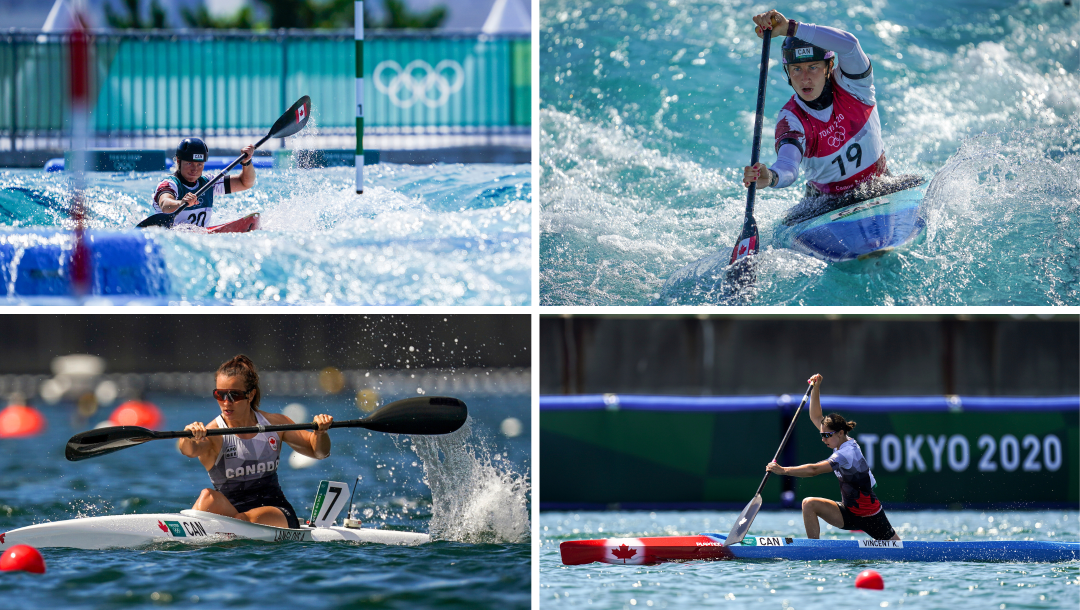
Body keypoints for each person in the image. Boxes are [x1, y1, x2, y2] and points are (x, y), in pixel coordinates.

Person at [742, 10, 890, 201]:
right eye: (796, 69)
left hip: (881, 185)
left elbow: (850, 45)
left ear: (829, 66)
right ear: (787, 72)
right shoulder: (791, 118)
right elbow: (788, 164)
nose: (805, 78)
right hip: (824, 205)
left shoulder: (854, 85)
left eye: (813, 67)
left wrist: (791, 28)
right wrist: (771, 177)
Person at [178, 354, 333, 528]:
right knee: (207, 497)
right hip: (231, 512)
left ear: (250, 395)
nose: (226, 403)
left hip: (275, 509)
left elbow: (320, 452)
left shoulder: (275, 424)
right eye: (220, 395)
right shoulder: (214, 433)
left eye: (234, 395)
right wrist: (188, 436)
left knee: (243, 520)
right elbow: (189, 450)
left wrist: (320, 433)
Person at [765, 373, 900, 541]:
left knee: (899, 549)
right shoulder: (838, 441)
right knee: (808, 504)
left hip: (870, 514)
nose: (823, 439)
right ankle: (814, 550)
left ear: (841, 432)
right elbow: (815, 417)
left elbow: (814, 470)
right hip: (848, 512)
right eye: (822, 435)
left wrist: (783, 470)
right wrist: (816, 388)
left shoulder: (847, 453)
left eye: (827, 435)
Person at [153, 137, 256, 228]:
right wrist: (181, 203)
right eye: (189, 163)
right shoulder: (170, 184)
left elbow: (245, 183)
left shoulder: (208, 183)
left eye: (199, 164)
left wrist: (246, 162)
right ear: (179, 161)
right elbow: (165, 204)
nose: (195, 169)